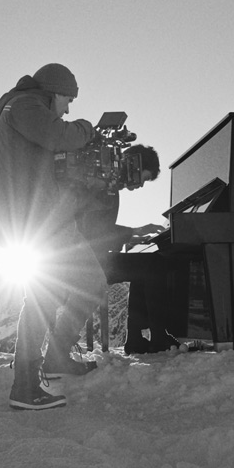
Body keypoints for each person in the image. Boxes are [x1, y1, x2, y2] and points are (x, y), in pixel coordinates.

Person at [0, 63, 106, 410]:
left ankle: (53, 360)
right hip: (39, 222)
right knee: (50, 296)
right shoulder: (24, 105)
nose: (68, 109)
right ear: (55, 92)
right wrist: (88, 129)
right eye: (68, 100)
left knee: (82, 285)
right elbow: (60, 135)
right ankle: (25, 386)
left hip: (43, 220)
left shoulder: (24, 111)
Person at [74, 145, 181, 354]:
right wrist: (133, 232)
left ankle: (136, 339)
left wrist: (132, 236)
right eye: (144, 178)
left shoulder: (108, 185)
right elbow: (93, 231)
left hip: (89, 258)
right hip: (86, 263)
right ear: (136, 165)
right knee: (154, 264)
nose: (141, 185)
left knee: (146, 266)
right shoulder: (105, 186)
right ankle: (155, 338)